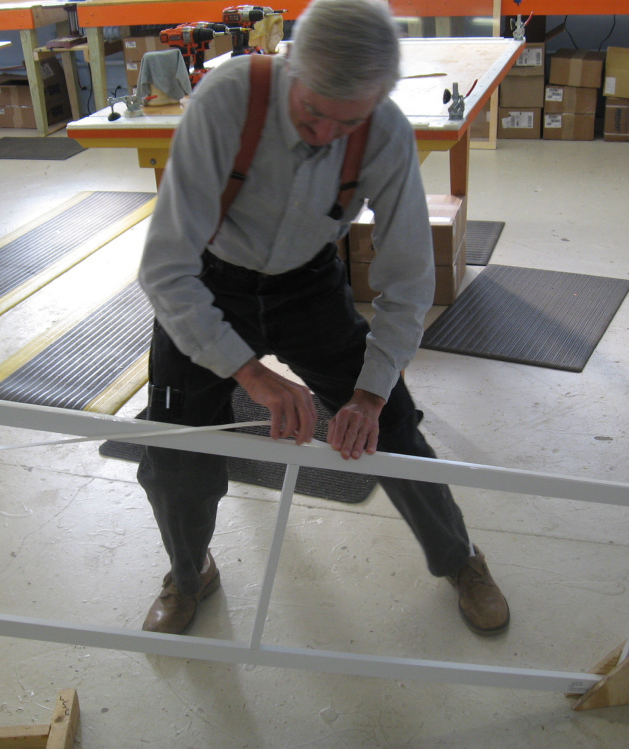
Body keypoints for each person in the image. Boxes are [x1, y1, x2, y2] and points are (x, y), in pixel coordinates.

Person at [136, 0, 509, 637]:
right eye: (313, 113)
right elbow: (165, 269)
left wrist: (368, 395)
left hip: (309, 287)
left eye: (348, 122)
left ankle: (460, 559)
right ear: (289, 71)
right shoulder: (227, 100)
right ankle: (189, 569)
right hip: (211, 280)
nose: (325, 134)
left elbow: (410, 280)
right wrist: (251, 375)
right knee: (175, 453)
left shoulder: (385, 133)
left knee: (393, 431)